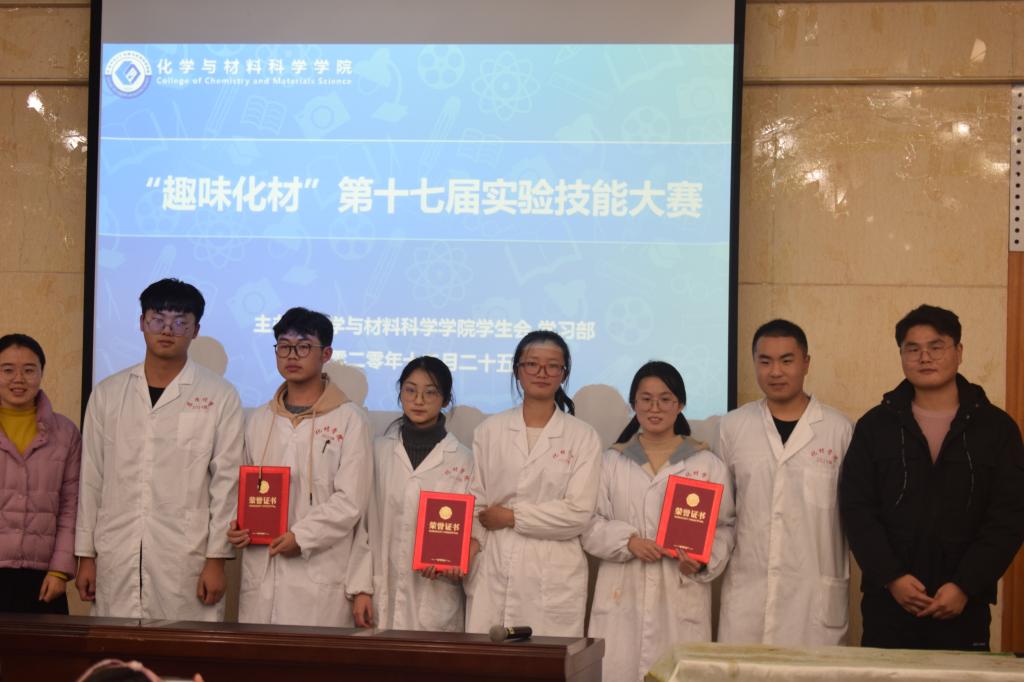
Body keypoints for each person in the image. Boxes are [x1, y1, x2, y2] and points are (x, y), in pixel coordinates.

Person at [839, 304, 1024, 650]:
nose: (924, 357)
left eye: (936, 347)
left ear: (959, 352)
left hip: (964, 606)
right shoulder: (875, 426)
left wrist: (965, 585)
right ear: (901, 355)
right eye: (913, 349)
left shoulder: (996, 429)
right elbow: (857, 508)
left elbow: (1009, 516)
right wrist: (892, 577)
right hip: (888, 604)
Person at [75, 278, 244, 620]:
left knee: (183, 646)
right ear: (142, 322)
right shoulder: (108, 393)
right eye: (158, 319)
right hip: (116, 551)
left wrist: (217, 559)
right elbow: (91, 476)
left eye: (180, 322)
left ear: (196, 330)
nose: (167, 330)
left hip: (186, 555)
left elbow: (226, 483)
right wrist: (85, 555)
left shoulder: (219, 395)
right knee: (118, 646)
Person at [583, 361, 734, 682]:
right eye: (646, 399)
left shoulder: (706, 464)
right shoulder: (611, 461)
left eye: (665, 399)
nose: (655, 408)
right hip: (621, 595)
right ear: (633, 403)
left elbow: (725, 528)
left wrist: (703, 560)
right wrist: (628, 542)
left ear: (680, 404)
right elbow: (590, 524)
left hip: (680, 592)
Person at [228, 307, 372, 626]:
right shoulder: (260, 419)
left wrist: (302, 536)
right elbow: (243, 487)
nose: (292, 355)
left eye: (304, 346)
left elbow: (351, 500)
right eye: (284, 345)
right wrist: (237, 523)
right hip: (261, 572)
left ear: (326, 354)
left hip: (318, 576)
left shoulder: (350, 419)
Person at [717, 319, 853, 645]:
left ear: (806, 363)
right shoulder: (733, 427)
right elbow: (723, 516)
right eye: (765, 361)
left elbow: (856, 516)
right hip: (748, 595)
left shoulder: (839, 429)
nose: (775, 371)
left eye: (786, 360)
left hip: (813, 598)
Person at [464, 330, 601, 637]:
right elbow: (476, 503)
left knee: (546, 658)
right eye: (532, 364)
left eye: (552, 366)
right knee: (487, 658)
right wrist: (468, 550)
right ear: (517, 370)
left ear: (563, 374)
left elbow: (578, 514)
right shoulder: (490, 430)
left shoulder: (582, 436)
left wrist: (512, 517)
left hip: (552, 571)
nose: (542, 372)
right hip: (494, 565)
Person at [349, 356, 474, 631]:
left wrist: (455, 562)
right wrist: (361, 589)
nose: (418, 400)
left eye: (430, 392)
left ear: (445, 399)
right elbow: (363, 526)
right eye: (410, 390)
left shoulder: (464, 460)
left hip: (436, 597)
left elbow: (471, 531)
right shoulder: (377, 451)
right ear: (400, 393)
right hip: (380, 596)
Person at [0, 333, 80, 614]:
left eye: (29, 370)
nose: (18, 379)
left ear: (41, 373)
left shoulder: (65, 433)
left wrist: (60, 571)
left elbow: (71, 507)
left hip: (44, 578)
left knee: (46, 644)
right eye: (7, 370)